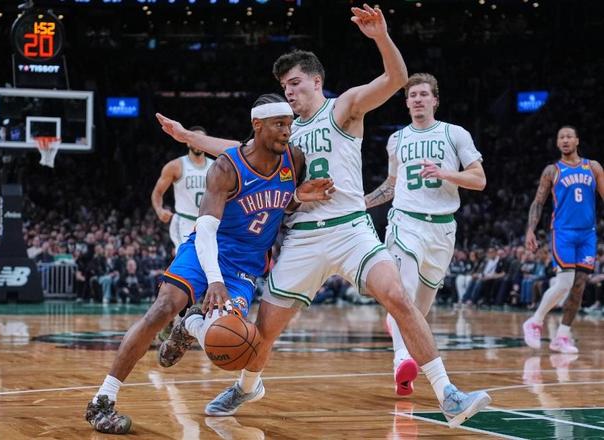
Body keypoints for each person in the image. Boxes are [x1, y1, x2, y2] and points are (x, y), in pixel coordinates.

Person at [156, 4, 490, 427]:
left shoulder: (343, 108)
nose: (289, 92)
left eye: (295, 83)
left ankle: (448, 395)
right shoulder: (285, 131)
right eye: (284, 87)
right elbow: (238, 151)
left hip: (351, 230)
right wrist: (189, 136)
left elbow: (395, 80)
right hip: (303, 236)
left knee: (400, 298)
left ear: (316, 81)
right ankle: (247, 386)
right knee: (265, 328)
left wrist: (381, 37)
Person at [85, 94, 334, 434]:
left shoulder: (294, 159)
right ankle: (102, 400)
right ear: (257, 125)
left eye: (289, 124)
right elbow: (205, 230)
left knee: (229, 340)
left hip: (245, 267)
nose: (287, 132)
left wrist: (297, 199)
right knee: (162, 308)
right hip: (207, 248)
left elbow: (278, 205)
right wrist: (214, 281)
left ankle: (191, 325)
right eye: (279, 124)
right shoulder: (226, 167)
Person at [364, 71, 486, 395]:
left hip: (442, 229)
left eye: (423, 94)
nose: (417, 99)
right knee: (402, 291)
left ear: (435, 100)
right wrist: (362, 202)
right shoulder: (397, 140)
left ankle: (400, 341)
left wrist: (445, 173)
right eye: (412, 95)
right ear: (406, 103)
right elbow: (392, 185)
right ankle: (401, 359)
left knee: (418, 310)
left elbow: (479, 179)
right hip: (405, 221)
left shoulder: (454, 134)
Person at [522, 126, 604, 353]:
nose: (565, 140)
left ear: (577, 140)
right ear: (558, 143)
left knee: (579, 286)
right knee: (565, 283)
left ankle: (562, 336)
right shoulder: (552, 170)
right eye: (561, 137)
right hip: (563, 232)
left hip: (587, 234)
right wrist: (531, 229)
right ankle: (535, 321)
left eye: (569, 136)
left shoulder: (593, 167)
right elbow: (538, 202)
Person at [151, 126, 214, 255]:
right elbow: (157, 192)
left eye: (201, 139)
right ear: (187, 142)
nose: (198, 142)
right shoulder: (175, 166)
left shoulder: (216, 166)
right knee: (187, 258)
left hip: (207, 223)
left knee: (209, 261)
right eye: (194, 139)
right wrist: (159, 210)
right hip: (184, 222)